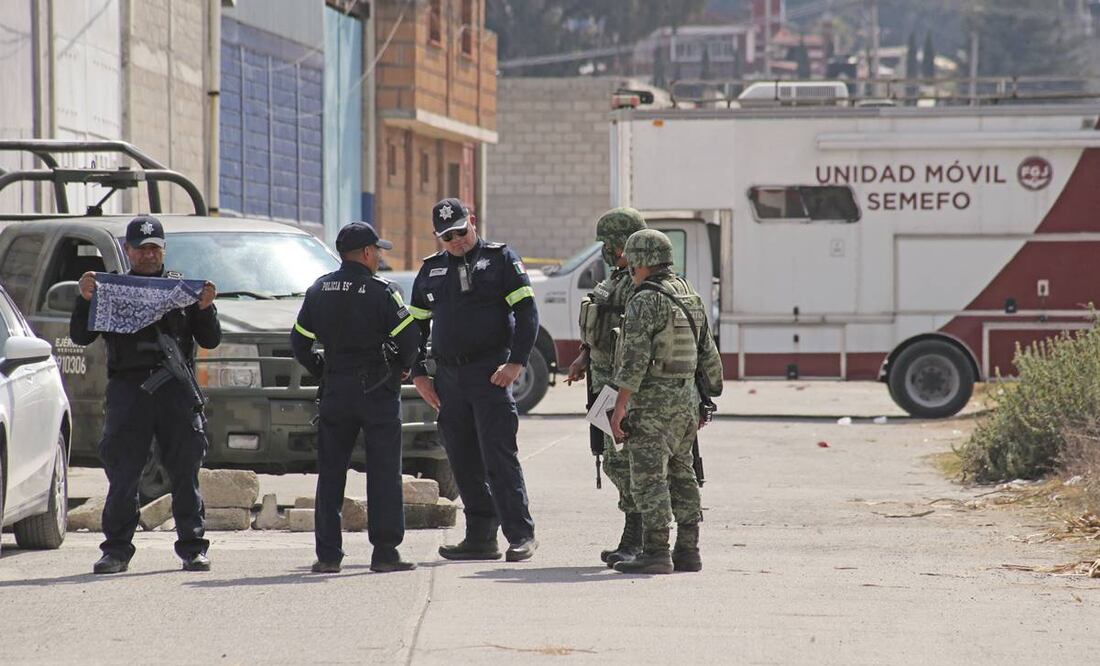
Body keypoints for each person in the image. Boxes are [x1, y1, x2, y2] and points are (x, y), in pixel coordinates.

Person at [70, 215, 220, 574]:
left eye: (155, 249)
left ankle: (193, 548)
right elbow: (81, 336)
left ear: (163, 251)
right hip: (129, 390)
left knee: (185, 472)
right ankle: (116, 551)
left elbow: (211, 339)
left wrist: (205, 308)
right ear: (128, 250)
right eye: (141, 249)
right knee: (124, 474)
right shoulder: (113, 288)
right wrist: (85, 299)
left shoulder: (180, 291)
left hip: (174, 391)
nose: (148, 255)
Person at [408, 198, 539, 562]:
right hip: (449, 378)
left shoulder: (500, 260)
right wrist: (419, 374)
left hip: (490, 374)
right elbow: (414, 327)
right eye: (447, 236)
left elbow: (527, 313)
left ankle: (520, 534)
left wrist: (516, 362)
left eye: (460, 232)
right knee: (462, 461)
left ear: (473, 222)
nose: (456, 241)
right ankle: (480, 538)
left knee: (499, 458)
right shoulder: (431, 269)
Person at [290, 221, 421, 574]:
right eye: (377, 251)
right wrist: (400, 368)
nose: (379, 257)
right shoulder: (382, 292)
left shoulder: (318, 290)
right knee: (384, 471)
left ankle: (328, 555)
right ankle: (385, 553)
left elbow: (300, 342)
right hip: (377, 392)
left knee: (331, 472)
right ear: (365, 253)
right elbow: (410, 341)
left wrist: (322, 369)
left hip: (335, 390)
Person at [609, 229, 723, 574]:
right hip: (686, 402)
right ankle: (688, 550)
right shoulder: (690, 295)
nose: (630, 270)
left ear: (641, 262)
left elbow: (634, 360)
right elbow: (709, 354)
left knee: (649, 478)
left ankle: (656, 550)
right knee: (682, 473)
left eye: (632, 263)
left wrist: (620, 406)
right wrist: (706, 397)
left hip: (652, 405)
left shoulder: (644, 300)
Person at [566, 207, 647, 566]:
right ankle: (634, 537)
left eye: (608, 243)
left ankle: (638, 539)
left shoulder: (639, 283)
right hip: (603, 385)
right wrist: (584, 356)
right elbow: (603, 325)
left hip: (622, 388)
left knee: (626, 463)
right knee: (614, 462)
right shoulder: (616, 279)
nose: (604, 250)